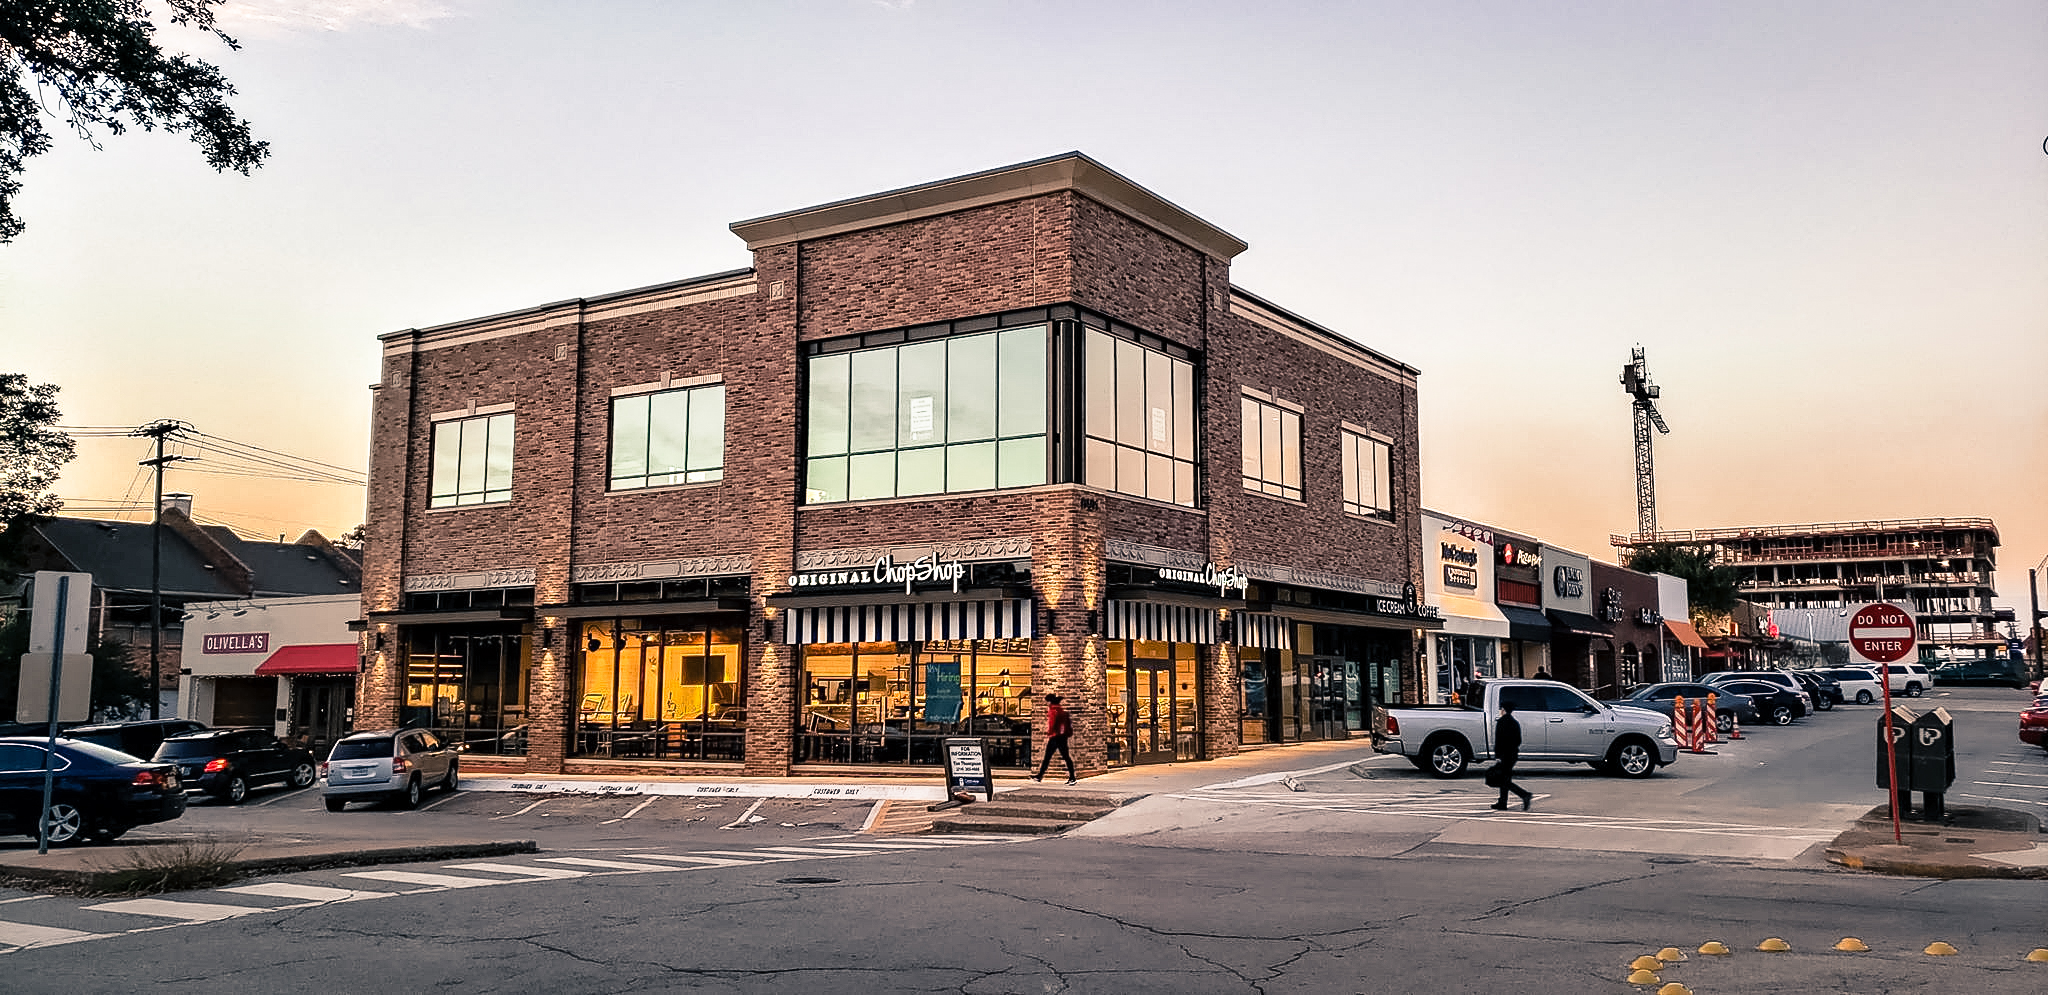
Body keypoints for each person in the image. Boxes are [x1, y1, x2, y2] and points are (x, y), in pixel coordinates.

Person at [1487, 700, 1534, 811]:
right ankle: (1502, 802)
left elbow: (1499, 740)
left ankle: (1524, 795)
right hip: (1513, 754)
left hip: (1504, 755)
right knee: (1505, 778)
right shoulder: (1514, 722)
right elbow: (1518, 740)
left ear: (1503, 710)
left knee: (1504, 780)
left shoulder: (1501, 722)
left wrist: (1498, 755)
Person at [1032, 693, 1075, 784]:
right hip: (1062, 737)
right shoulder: (1061, 710)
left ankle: (1040, 775)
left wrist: (1050, 732)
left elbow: (1052, 723)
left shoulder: (1053, 710)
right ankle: (1072, 777)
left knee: (1047, 757)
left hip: (1055, 737)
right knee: (1066, 757)